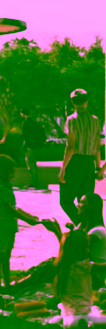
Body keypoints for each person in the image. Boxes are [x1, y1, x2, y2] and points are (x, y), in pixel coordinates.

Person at [0, 154, 43, 293]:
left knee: (6, 257)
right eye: (11, 172)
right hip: (2, 227)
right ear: (2, 171)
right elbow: (9, 209)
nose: (13, 175)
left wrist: (30, 216)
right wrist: (28, 220)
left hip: (10, 226)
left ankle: (7, 284)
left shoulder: (6, 187)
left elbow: (15, 207)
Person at [59, 89, 104, 226]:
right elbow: (97, 147)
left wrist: (63, 168)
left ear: (73, 103)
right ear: (86, 101)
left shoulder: (72, 120)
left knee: (65, 201)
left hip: (75, 162)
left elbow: (71, 146)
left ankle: (81, 226)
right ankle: (89, 227)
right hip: (89, 163)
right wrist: (98, 167)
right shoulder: (95, 120)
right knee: (85, 201)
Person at [21, 111, 47, 189]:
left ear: (22, 113)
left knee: (31, 165)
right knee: (33, 165)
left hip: (29, 146)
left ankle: (33, 183)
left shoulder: (25, 123)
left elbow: (24, 135)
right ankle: (34, 182)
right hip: (35, 147)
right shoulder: (35, 122)